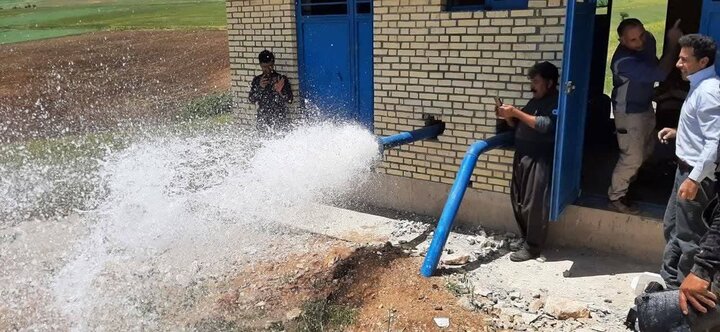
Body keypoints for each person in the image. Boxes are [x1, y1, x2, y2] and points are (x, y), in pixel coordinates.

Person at [658, 34, 720, 290]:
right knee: (672, 227)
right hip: (685, 170)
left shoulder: (709, 91)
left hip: (696, 176)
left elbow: (715, 142)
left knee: (688, 237)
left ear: (703, 61)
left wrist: (694, 178)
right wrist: (679, 133)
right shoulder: (699, 84)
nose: (678, 64)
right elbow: (702, 131)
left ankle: (683, 297)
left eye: (684, 59)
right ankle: (669, 282)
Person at [607, 18, 683, 214]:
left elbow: (655, 63)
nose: (640, 42)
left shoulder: (647, 40)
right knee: (632, 157)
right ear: (622, 41)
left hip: (644, 107)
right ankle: (616, 196)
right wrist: (674, 42)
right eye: (633, 40)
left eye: (641, 35)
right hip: (628, 113)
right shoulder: (623, 62)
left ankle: (632, 183)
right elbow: (658, 73)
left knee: (647, 148)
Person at [496, 61, 559, 262]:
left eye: (536, 81)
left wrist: (515, 112)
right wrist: (506, 117)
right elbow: (520, 125)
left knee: (534, 204)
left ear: (549, 83)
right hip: (522, 155)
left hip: (539, 158)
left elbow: (544, 125)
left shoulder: (556, 102)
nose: (532, 86)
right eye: (531, 81)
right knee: (518, 199)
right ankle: (525, 239)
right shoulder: (534, 102)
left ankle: (533, 247)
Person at [248, 50, 293, 131]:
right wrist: (260, 87)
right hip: (263, 120)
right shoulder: (257, 80)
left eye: (270, 66)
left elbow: (290, 100)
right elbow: (252, 99)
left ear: (273, 64)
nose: (268, 70)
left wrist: (280, 91)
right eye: (265, 67)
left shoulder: (281, 79)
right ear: (260, 65)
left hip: (280, 119)